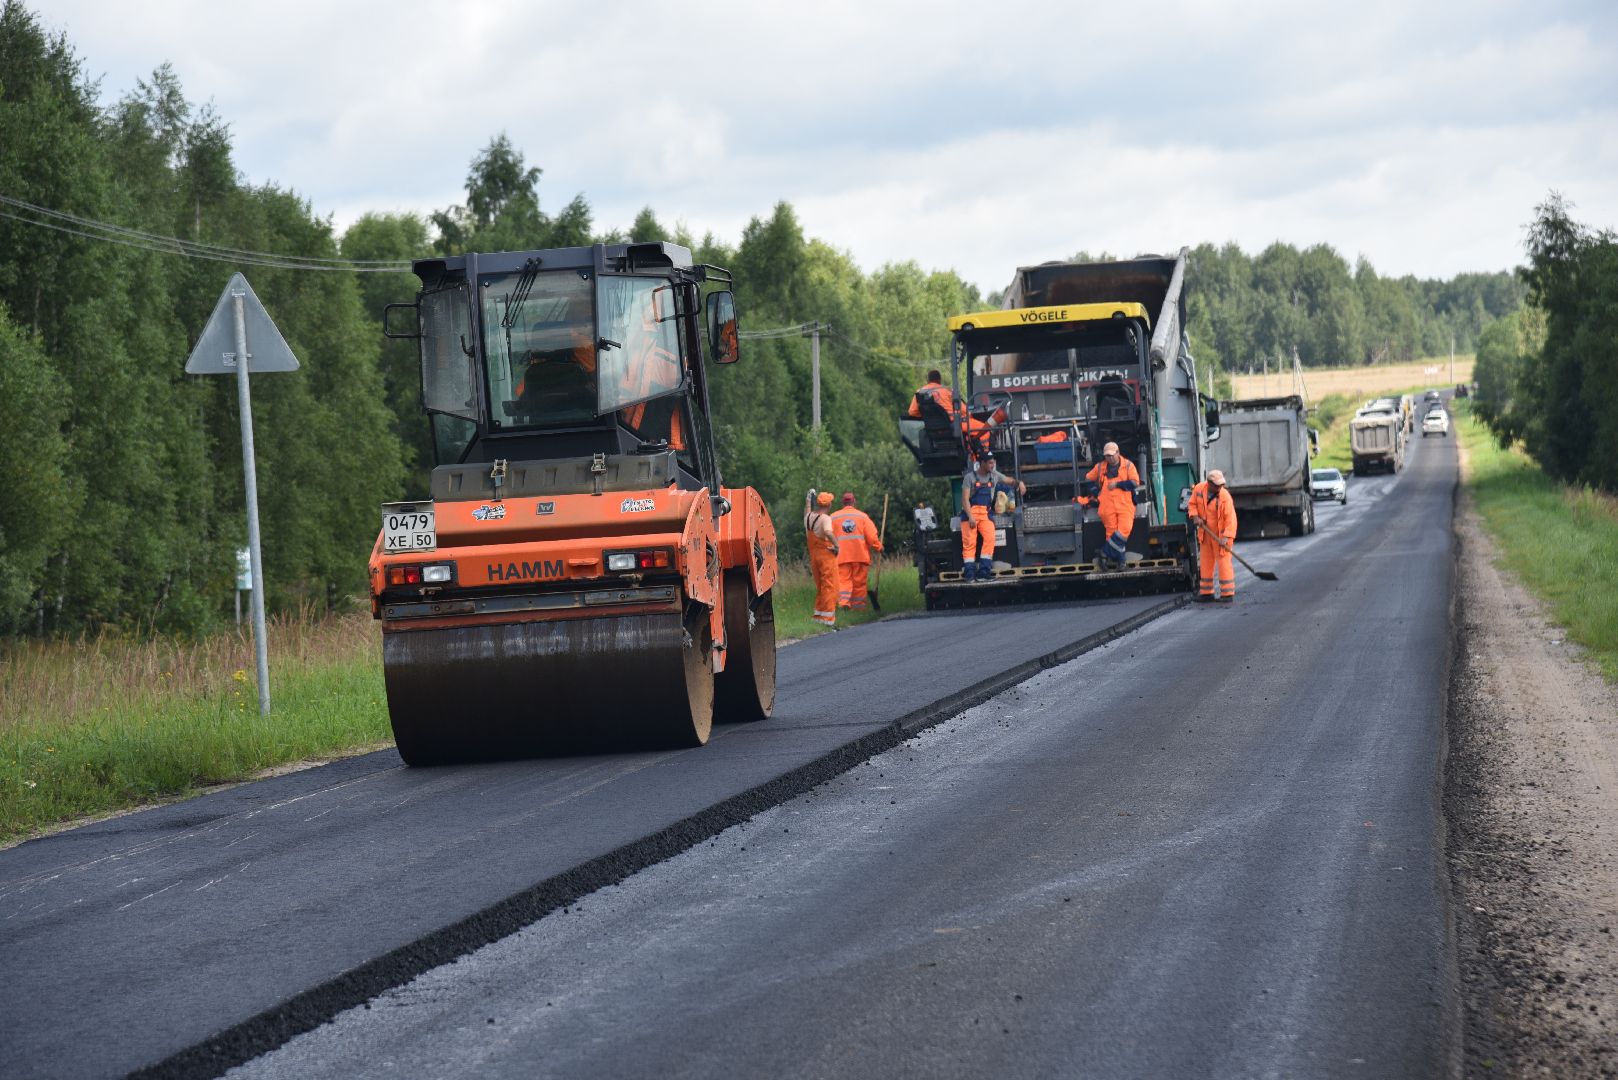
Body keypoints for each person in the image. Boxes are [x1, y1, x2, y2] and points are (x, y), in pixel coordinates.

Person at [959, 454, 1025, 581]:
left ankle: (984, 572)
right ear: (982, 463)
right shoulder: (969, 478)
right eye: (989, 463)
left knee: (990, 538)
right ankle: (970, 574)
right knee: (969, 544)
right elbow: (965, 500)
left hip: (985, 513)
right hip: (970, 514)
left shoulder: (994, 475)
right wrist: (970, 517)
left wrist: (1019, 483)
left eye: (993, 463)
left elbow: (1008, 481)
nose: (992, 465)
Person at [1078, 441, 1141, 569]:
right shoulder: (1100, 467)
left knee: (1124, 530)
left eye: (1112, 455)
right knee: (1112, 535)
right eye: (1107, 455)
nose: (1110, 458)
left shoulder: (1128, 465)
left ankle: (1104, 553)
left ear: (1118, 453)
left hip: (1125, 505)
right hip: (1107, 506)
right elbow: (1088, 479)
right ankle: (1121, 562)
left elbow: (1135, 483)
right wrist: (1096, 492)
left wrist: (1118, 485)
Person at [1187, 468, 1238, 602]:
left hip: (1220, 535)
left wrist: (1226, 537)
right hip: (1205, 533)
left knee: (1223, 562)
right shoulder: (1198, 489)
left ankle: (1227, 594)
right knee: (1205, 562)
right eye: (1217, 485)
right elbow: (1191, 505)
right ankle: (1206, 592)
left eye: (1221, 485)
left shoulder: (1225, 496)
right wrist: (1195, 516)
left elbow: (1230, 519)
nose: (1219, 487)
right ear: (1209, 483)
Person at [829, 493, 883, 610]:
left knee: (843, 581)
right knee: (859, 584)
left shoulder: (833, 517)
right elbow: (871, 537)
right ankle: (858, 607)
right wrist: (879, 547)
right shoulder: (862, 517)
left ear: (843, 503)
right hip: (860, 556)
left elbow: (826, 536)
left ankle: (844, 604)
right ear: (854, 502)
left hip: (841, 556)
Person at [804, 491, 839, 627]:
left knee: (821, 586)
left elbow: (807, 510)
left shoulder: (808, 517)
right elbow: (828, 532)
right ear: (829, 504)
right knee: (829, 586)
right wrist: (837, 545)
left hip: (814, 556)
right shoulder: (825, 518)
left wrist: (808, 500)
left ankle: (819, 616)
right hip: (825, 556)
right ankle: (828, 619)